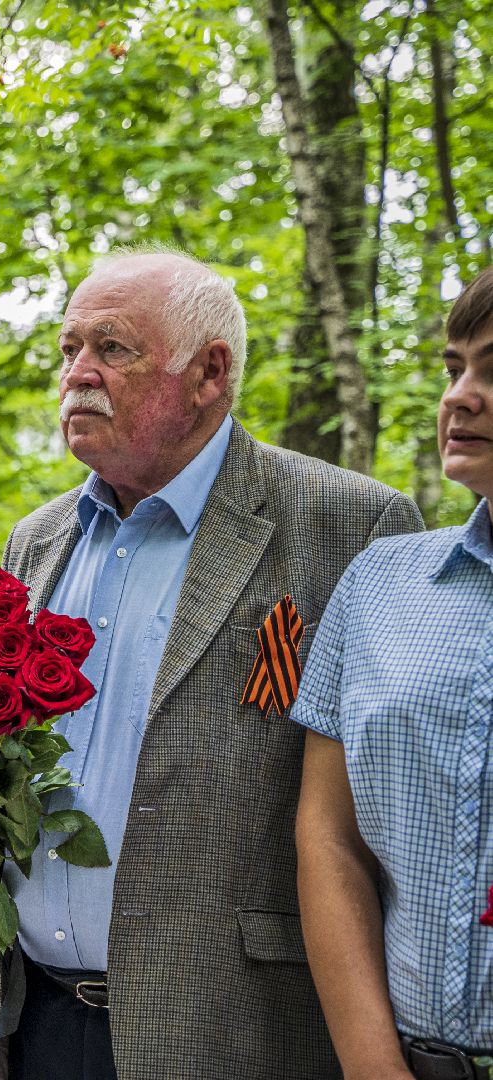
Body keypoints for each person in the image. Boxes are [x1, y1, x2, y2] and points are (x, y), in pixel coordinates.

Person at [0, 249, 423, 1080]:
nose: (77, 375)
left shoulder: (351, 524)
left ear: (208, 372)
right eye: (67, 350)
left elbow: (402, 809)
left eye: (111, 349)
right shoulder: (36, 540)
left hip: (239, 1032)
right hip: (32, 1020)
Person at [293, 266, 493, 1077]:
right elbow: (328, 837)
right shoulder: (380, 579)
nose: (461, 396)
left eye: (492, 371)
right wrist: (375, 1068)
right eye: (455, 370)